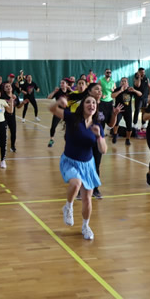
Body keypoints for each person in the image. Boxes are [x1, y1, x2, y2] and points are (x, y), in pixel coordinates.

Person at [49, 95, 107, 240]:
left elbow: (103, 150)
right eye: (88, 102)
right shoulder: (72, 118)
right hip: (70, 161)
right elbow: (52, 109)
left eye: (94, 103)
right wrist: (58, 102)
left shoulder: (97, 126)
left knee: (87, 198)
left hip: (88, 165)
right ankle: (68, 206)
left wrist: (99, 136)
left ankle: (85, 226)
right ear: (82, 105)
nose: (91, 105)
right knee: (76, 184)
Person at [112, 77, 141, 145]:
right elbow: (112, 96)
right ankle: (115, 134)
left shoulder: (130, 90)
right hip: (119, 110)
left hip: (128, 111)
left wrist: (134, 90)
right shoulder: (118, 89)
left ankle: (127, 139)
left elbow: (140, 94)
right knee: (116, 123)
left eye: (125, 81)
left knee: (129, 127)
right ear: (120, 82)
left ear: (127, 83)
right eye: (122, 81)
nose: (123, 82)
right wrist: (120, 91)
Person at [48, 78, 72, 147]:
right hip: (58, 111)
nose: (61, 84)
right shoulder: (58, 92)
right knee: (53, 126)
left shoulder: (69, 92)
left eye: (63, 83)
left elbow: (77, 96)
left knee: (69, 127)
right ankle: (51, 140)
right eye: (61, 83)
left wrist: (71, 90)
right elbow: (49, 97)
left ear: (67, 84)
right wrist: (54, 92)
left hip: (67, 111)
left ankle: (69, 140)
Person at [2, 82, 24, 152]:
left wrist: (23, 103)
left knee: (13, 132)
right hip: (4, 117)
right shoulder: (2, 97)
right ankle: (1, 143)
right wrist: (9, 101)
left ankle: (12, 146)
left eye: (9, 86)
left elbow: (18, 106)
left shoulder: (15, 96)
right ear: (4, 89)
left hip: (12, 117)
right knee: (3, 133)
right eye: (6, 87)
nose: (8, 87)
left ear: (11, 88)